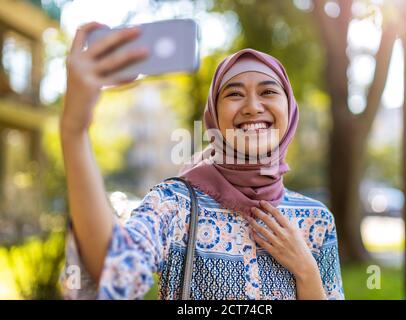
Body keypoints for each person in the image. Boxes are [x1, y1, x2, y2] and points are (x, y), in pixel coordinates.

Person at [59, 22, 344, 300]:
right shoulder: (174, 203)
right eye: (234, 94)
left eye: (268, 91)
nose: (253, 107)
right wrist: (74, 131)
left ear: (290, 110)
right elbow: (113, 272)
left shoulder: (316, 219)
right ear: (214, 116)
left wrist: (307, 270)